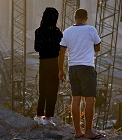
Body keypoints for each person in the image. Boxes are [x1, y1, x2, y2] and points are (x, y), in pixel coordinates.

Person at [58, 8, 103, 139]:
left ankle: (78, 131)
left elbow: (61, 52)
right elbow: (98, 47)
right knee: (89, 101)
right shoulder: (91, 30)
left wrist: (60, 70)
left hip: (73, 68)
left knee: (75, 99)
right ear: (86, 18)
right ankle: (88, 131)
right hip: (87, 68)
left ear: (74, 17)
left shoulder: (67, 31)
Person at [33, 7, 63, 126]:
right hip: (54, 62)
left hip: (43, 62)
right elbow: (61, 48)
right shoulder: (57, 32)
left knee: (43, 89)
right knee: (53, 90)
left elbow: (36, 48)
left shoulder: (38, 31)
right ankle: (48, 117)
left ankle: (38, 115)